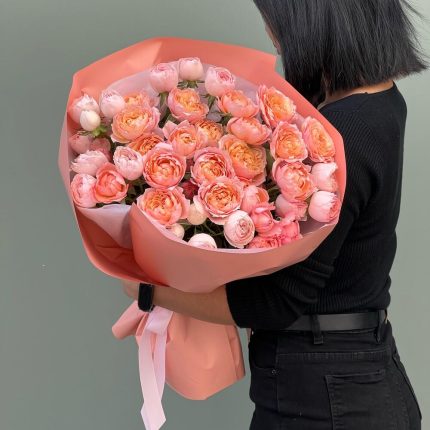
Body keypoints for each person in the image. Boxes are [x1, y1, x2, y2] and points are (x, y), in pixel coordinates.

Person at [122, 1, 428, 428]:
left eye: (274, 19)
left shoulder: (344, 132)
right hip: (352, 377)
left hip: (326, 394)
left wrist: (149, 291)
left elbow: (279, 302)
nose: (271, 35)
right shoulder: (380, 101)